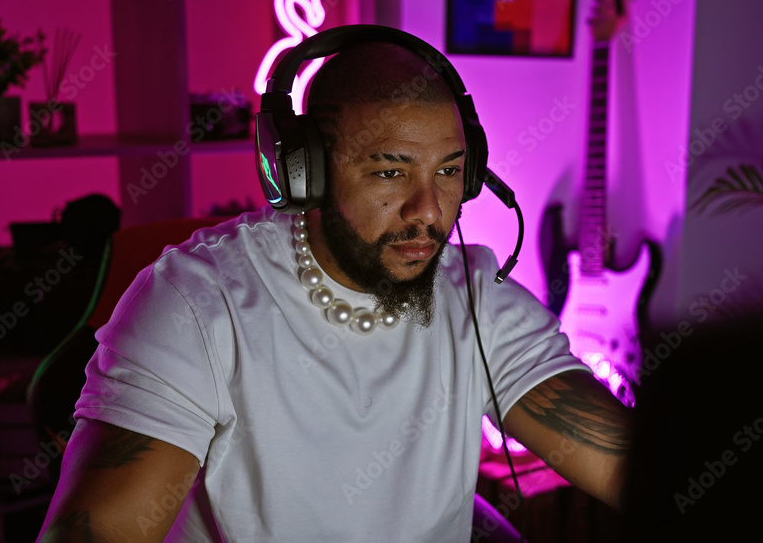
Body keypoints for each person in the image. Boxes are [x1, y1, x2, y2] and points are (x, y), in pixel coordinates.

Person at [37, 29, 631, 542]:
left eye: (449, 170)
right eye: (390, 171)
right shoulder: (196, 303)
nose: (428, 210)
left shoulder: (478, 299)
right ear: (304, 173)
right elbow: (98, 529)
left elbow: (632, 464)